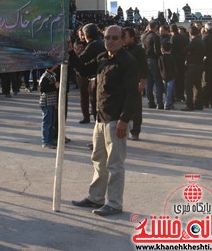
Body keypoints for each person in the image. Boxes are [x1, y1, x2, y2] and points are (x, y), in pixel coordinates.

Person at [69, 25, 140, 217]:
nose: (110, 41)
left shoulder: (128, 62)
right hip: (101, 118)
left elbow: (133, 94)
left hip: (117, 120)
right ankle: (96, 197)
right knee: (98, 160)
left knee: (115, 165)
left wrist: (124, 121)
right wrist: (70, 52)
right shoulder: (102, 58)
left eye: (115, 38)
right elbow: (83, 70)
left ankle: (115, 204)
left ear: (123, 40)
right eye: (107, 37)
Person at [39, 65, 59, 149]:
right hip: (46, 102)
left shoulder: (52, 75)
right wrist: (54, 86)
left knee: (51, 123)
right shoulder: (45, 76)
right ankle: (45, 141)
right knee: (47, 123)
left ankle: (50, 140)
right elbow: (42, 89)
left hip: (52, 102)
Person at [158, 41, 176, 110]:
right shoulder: (172, 57)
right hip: (171, 76)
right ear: (170, 49)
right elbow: (174, 67)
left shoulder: (161, 57)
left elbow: (159, 67)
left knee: (166, 90)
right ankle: (168, 103)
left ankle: (168, 102)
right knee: (170, 90)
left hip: (163, 75)